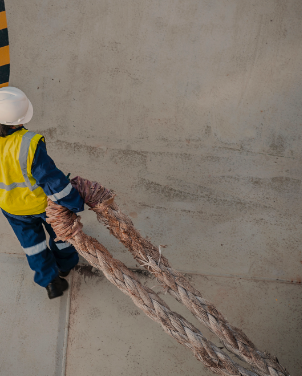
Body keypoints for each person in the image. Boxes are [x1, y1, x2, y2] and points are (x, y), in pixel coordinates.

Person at [0, 86, 84, 299]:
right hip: (42, 206)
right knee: (61, 235)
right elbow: (52, 180)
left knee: (32, 245)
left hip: (11, 209)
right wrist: (75, 202)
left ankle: (50, 282)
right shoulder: (28, 143)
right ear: (20, 120)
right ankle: (65, 266)